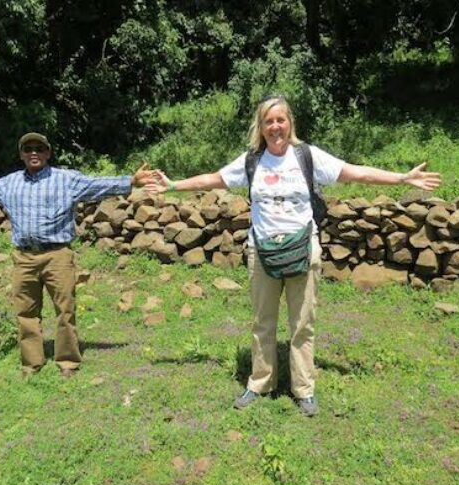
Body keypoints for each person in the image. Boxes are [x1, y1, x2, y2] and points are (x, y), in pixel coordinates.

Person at [145, 96, 441, 416]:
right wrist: (173, 184)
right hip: (262, 252)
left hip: (303, 248)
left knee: (302, 323)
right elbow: (213, 179)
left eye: (280, 120)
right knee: (262, 323)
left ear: (290, 123)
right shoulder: (251, 161)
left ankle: (303, 389)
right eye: (269, 121)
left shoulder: (306, 156)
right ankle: (260, 382)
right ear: (261, 127)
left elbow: (354, 172)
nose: (275, 127)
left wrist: (401, 178)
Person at [0, 132, 156, 378]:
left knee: (65, 309)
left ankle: (68, 362)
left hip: (57, 255)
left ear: (48, 153)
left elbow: (97, 185)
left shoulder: (66, 179)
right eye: (28, 149)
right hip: (24, 258)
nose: (33, 152)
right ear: (22, 155)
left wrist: (131, 180)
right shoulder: (10, 183)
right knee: (26, 312)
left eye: (39, 148)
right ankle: (31, 364)